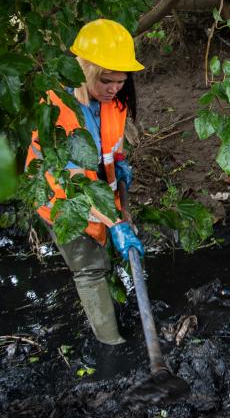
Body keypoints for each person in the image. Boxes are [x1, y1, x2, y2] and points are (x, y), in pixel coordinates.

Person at [27, 19, 145, 345]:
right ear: (85, 69)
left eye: (122, 81)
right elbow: (76, 185)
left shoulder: (114, 100)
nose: (116, 89)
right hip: (63, 203)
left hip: (100, 197)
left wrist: (120, 168)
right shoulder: (57, 109)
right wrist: (117, 223)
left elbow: (114, 145)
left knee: (105, 250)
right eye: (108, 80)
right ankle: (112, 346)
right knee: (90, 268)